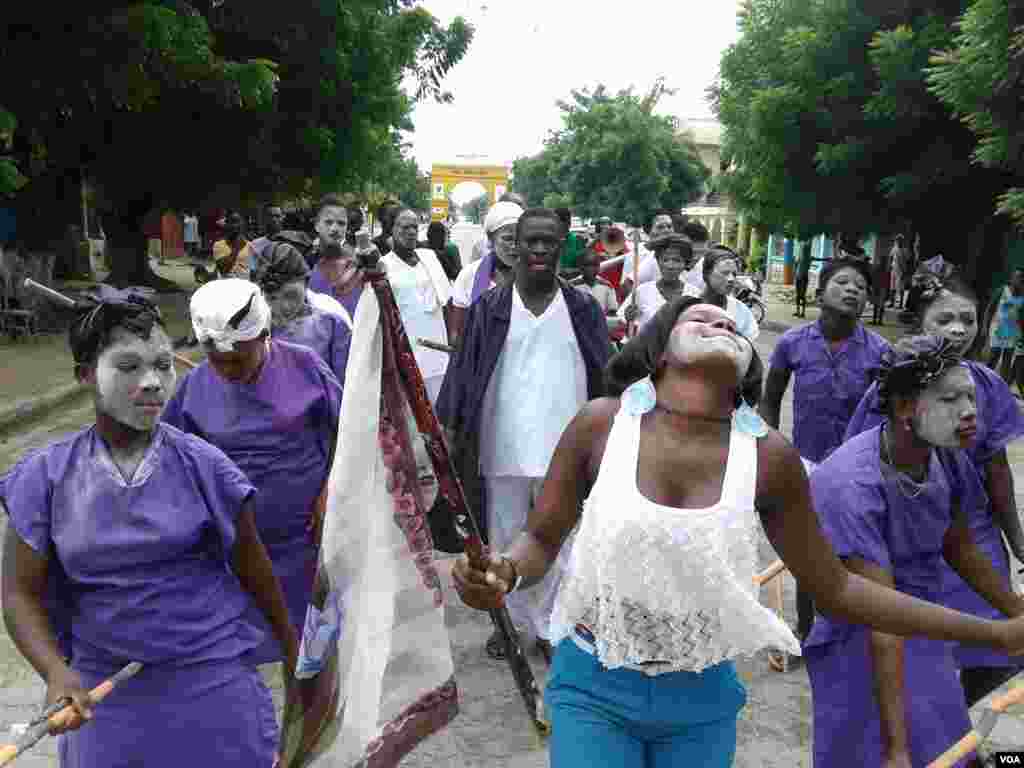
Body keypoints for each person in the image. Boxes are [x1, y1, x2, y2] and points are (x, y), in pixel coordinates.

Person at [452, 299, 1024, 768]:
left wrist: (994, 633)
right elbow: (541, 539)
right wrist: (503, 571)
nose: (721, 323)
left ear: (748, 366)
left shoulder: (767, 458)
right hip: (591, 685)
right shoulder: (602, 425)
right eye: (701, 319)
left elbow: (840, 591)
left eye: (732, 326)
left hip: (702, 701)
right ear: (660, 349)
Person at [1, 288, 297, 767]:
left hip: (214, 688)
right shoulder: (44, 479)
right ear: (84, 376)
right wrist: (56, 671)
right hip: (103, 698)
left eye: (163, 364)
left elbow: (257, 574)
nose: (154, 381)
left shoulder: (206, 468)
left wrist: (296, 664)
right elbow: (17, 593)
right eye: (128, 367)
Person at [806, 335, 1024, 768]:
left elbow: (957, 543)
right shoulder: (850, 485)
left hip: (924, 628)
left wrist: (1015, 612)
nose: (970, 412)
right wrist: (896, 750)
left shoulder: (943, 454)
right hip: (862, 642)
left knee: (947, 748)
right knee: (876, 755)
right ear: (906, 408)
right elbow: (883, 623)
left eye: (971, 397)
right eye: (950, 399)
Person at [437, 208, 611, 663]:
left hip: (568, 452)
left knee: (565, 540)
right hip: (502, 446)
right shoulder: (489, 309)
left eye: (547, 242)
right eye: (528, 240)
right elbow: (461, 375)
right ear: (515, 245)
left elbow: (606, 375)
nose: (537, 249)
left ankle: (555, 627)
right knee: (504, 541)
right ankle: (509, 627)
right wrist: (449, 434)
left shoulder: (583, 308)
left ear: (560, 247)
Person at [845, 275, 1024, 710]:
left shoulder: (989, 385)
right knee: (915, 646)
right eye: (945, 318)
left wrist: (1017, 541)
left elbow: (996, 470)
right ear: (920, 323)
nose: (959, 329)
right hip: (910, 534)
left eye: (969, 319)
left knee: (999, 651)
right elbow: (869, 469)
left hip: (971, 531)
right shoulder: (891, 394)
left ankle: (951, 719)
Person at [162, 279, 342, 666]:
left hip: (306, 544)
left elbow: (351, 432)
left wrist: (332, 488)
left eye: (238, 360)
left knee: (310, 653)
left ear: (265, 336)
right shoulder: (194, 388)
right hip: (235, 552)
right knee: (236, 652)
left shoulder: (306, 367)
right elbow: (170, 463)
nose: (227, 370)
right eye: (217, 360)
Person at [760, 258, 889, 668]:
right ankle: (808, 635)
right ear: (819, 294)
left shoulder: (880, 352)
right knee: (807, 552)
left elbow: (888, 413)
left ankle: (850, 638)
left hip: (859, 468)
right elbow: (771, 397)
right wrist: (768, 444)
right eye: (843, 282)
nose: (853, 290)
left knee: (854, 554)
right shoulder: (792, 343)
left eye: (861, 286)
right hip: (806, 465)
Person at [252, 241, 352, 389]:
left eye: (291, 295)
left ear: (306, 282)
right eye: (272, 298)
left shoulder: (332, 325)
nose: (284, 306)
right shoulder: (254, 331)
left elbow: (344, 389)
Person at [381, 207, 452, 405]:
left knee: (439, 409)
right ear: (391, 230)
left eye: (414, 227)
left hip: (437, 350)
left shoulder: (429, 259)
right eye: (404, 227)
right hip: (406, 352)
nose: (411, 232)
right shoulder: (382, 266)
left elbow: (447, 302)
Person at [449, 201, 522, 347]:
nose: (514, 246)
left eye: (519, 239)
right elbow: (457, 334)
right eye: (507, 238)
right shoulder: (469, 276)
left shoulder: (535, 277)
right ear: (490, 240)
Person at [619, 234, 692, 332]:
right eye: (665, 260)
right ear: (658, 261)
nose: (670, 266)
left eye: (677, 260)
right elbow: (629, 335)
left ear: (685, 264)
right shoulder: (642, 291)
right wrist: (629, 320)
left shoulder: (693, 294)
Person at [683, 247, 759, 340]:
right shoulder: (687, 307)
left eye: (734, 274)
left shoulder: (742, 312)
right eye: (725, 273)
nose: (731, 279)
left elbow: (748, 345)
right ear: (706, 274)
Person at [308, 196, 365, 317]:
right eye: (328, 222)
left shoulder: (357, 264)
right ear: (316, 225)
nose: (335, 229)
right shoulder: (304, 261)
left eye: (341, 223)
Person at [620, 210, 676, 300]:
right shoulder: (636, 253)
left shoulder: (678, 250)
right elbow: (625, 288)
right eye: (660, 227)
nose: (667, 230)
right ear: (648, 231)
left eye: (669, 226)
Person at [986, 267, 1024, 383]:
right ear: (1012, 278)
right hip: (997, 328)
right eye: (1016, 276)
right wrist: (984, 327)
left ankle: (1001, 385)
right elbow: (989, 309)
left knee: (1007, 360)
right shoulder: (1002, 290)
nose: (1018, 279)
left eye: (1021, 277)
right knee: (994, 356)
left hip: (1013, 329)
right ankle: (984, 379)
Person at [574, 248, 620, 332]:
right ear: (580, 267)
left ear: (599, 267)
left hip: (599, 330)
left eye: (594, 265)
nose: (591, 269)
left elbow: (612, 312)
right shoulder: (572, 287)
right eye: (587, 265)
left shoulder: (607, 286)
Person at [210, 211, 254, 280]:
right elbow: (224, 270)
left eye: (238, 222)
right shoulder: (218, 245)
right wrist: (237, 246)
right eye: (232, 222)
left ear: (242, 224)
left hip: (245, 287)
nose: (235, 225)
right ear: (226, 224)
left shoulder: (250, 246)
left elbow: (253, 271)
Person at [249, 204, 285, 269]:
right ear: (264, 218)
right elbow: (252, 269)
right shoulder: (255, 244)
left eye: (277, 216)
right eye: (270, 216)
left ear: (283, 217)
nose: (274, 219)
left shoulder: (291, 241)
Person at [555, 207, 586, 277]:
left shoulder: (578, 240)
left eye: (567, 221)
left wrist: (572, 271)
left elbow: (584, 268)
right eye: (562, 220)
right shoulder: (548, 242)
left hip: (573, 283)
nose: (568, 224)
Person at [681, 220, 712, 292]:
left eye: (701, 252)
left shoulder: (710, 269)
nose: (696, 257)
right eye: (693, 252)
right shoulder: (670, 266)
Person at [870, 237, 894, 325]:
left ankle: (876, 320)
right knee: (880, 305)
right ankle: (879, 320)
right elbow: (887, 282)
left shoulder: (877, 268)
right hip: (881, 288)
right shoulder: (886, 271)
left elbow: (873, 279)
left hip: (878, 288)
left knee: (877, 305)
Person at [793, 241, 813, 318]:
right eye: (801, 248)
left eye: (803, 248)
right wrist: (795, 271)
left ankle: (803, 313)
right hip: (798, 277)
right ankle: (798, 312)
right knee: (798, 295)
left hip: (804, 277)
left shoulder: (808, 258)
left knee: (802, 295)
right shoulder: (799, 257)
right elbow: (795, 265)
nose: (802, 249)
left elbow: (808, 267)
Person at [889, 235, 909, 309]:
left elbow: (907, 261)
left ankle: (900, 304)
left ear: (902, 241)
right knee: (892, 287)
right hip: (893, 269)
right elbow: (891, 258)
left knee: (901, 288)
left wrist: (905, 272)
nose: (898, 241)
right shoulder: (894, 249)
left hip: (901, 271)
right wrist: (889, 268)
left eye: (900, 240)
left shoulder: (905, 250)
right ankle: (892, 302)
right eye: (897, 240)